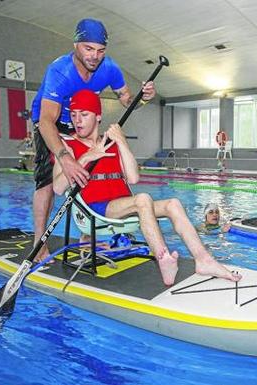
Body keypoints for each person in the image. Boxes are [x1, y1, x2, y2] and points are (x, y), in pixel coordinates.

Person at [52, 89, 241, 286]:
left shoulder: (111, 144)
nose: (78, 120)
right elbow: (57, 188)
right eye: (74, 115)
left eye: (84, 114)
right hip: (95, 208)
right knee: (143, 200)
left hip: (124, 204)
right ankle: (163, 258)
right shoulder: (67, 146)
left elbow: (133, 177)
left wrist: (121, 141)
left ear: (98, 116)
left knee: (173, 204)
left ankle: (204, 260)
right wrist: (87, 157)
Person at [31, 18, 156, 262]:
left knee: (94, 168)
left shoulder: (110, 68)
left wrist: (144, 98)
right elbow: (47, 121)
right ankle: (39, 241)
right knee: (47, 181)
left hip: (84, 123)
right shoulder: (59, 71)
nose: (94, 56)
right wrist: (64, 157)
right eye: (88, 48)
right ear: (76, 45)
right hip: (52, 122)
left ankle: (89, 235)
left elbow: (127, 101)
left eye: (100, 50)